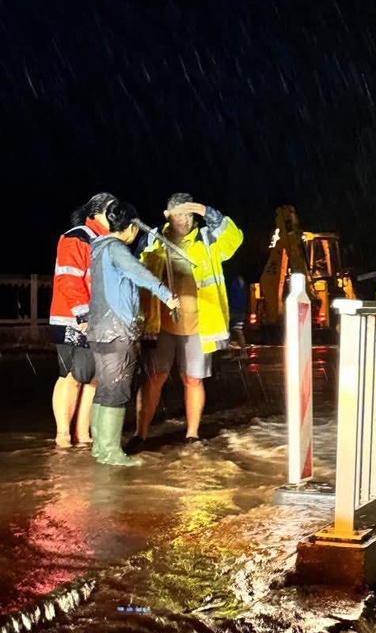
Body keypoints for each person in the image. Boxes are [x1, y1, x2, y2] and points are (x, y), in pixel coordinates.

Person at [135, 194, 244, 442]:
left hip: (199, 326)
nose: (184, 219)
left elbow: (235, 237)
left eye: (189, 214)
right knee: (155, 378)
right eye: (178, 213)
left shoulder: (208, 239)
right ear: (167, 215)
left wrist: (206, 210)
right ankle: (140, 434)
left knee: (193, 379)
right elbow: (135, 272)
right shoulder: (152, 239)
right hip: (160, 326)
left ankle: (192, 435)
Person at [88, 201, 179, 465]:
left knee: (105, 389)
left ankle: (100, 449)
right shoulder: (116, 249)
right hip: (117, 330)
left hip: (99, 330)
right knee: (116, 391)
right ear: (129, 228)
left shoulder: (99, 248)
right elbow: (138, 272)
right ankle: (112, 452)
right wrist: (166, 295)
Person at [49, 192, 115, 448]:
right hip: (72, 318)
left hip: (96, 320)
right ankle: (63, 436)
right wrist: (84, 314)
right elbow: (68, 277)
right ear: (97, 213)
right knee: (71, 376)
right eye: (112, 210)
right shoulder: (78, 236)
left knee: (93, 377)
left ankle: (83, 435)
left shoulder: (104, 241)